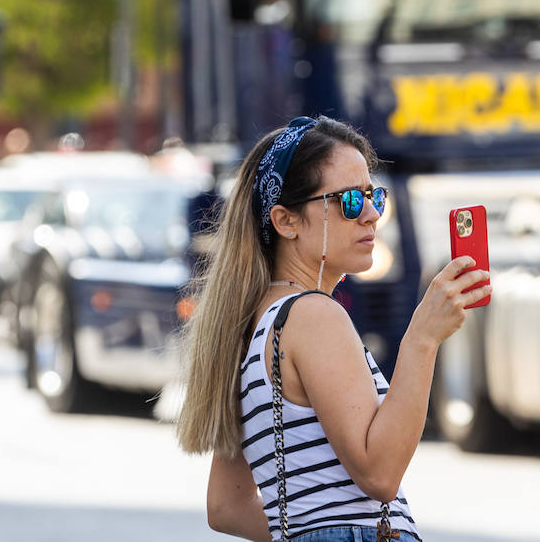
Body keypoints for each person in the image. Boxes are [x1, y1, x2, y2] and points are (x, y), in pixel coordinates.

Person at [175, 116, 490, 542]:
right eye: (349, 201)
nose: (373, 214)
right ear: (287, 222)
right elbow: (379, 474)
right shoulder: (312, 314)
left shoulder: (254, 323)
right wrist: (422, 338)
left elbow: (225, 508)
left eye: (372, 195)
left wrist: (314, 527)